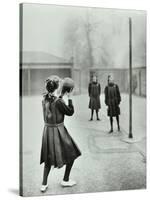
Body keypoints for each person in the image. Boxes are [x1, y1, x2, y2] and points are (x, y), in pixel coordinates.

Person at [40, 75, 81, 192]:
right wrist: (70, 97)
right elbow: (70, 112)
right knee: (72, 153)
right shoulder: (58, 102)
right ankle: (65, 180)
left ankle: (44, 184)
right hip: (59, 131)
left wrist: (61, 96)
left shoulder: (45, 99)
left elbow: (56, 103)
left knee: (48, 158)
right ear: (57, 88)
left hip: (47, 131)